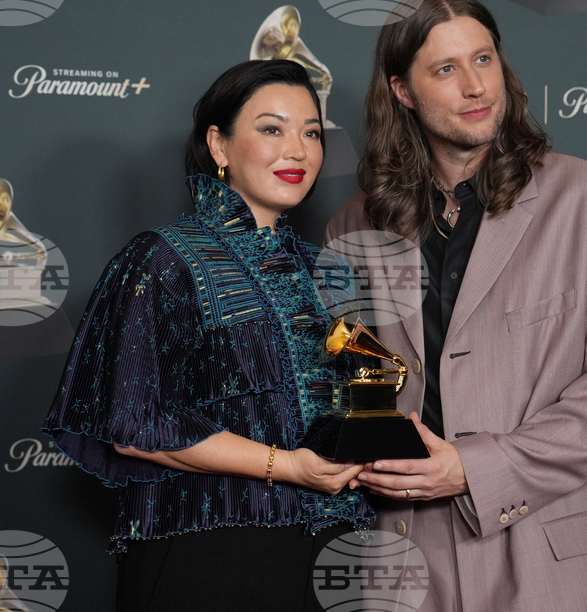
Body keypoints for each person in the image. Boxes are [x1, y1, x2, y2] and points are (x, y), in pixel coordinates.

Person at [326, 0, 587, 612]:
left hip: (549, 554)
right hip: (406, 557)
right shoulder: (355, 225)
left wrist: (474, 469)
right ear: (402, 90)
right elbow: (345, 381)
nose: (476, 86)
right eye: (445, 69)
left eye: (484, 60)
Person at [42, 59, 371, 611]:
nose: (297, 150)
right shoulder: (161, 259)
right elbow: (134, 424)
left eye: (312, 133)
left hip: (330, 554)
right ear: (219, 145)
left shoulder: (327, 273)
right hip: (209, 553)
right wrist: (288, 465)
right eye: (272, 129)